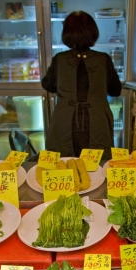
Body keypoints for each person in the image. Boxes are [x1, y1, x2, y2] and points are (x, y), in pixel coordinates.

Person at [42, 11, 122, 159]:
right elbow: (115, 90)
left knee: (64, 165)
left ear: (66, 33)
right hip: (97, 122)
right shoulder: (103, 59)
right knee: (96, 166)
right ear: (93, 32)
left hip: (65, 121)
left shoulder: (59, 59)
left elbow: (47, 85)